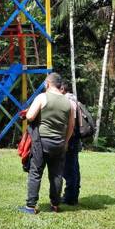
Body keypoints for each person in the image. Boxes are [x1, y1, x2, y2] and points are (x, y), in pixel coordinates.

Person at [19, 73, 74, 214]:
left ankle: (31, 206)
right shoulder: (69, 102)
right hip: (59, 143)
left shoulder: (42, 97)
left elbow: (30, 116)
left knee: (36, 172)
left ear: (48, 84)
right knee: (56, 174)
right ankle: (55, 204)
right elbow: (71, 126)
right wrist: (66, 142)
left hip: (41, 142)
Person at [60, 81, 81, 205]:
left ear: (62, 89)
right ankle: (72, 196)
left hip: (71, 138)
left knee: (69, 169)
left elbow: (71, 124)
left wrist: (66, 141)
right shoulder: (74, 99)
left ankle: (70, 198)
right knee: (74, 168)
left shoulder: (69, 101)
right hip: (74, 138)